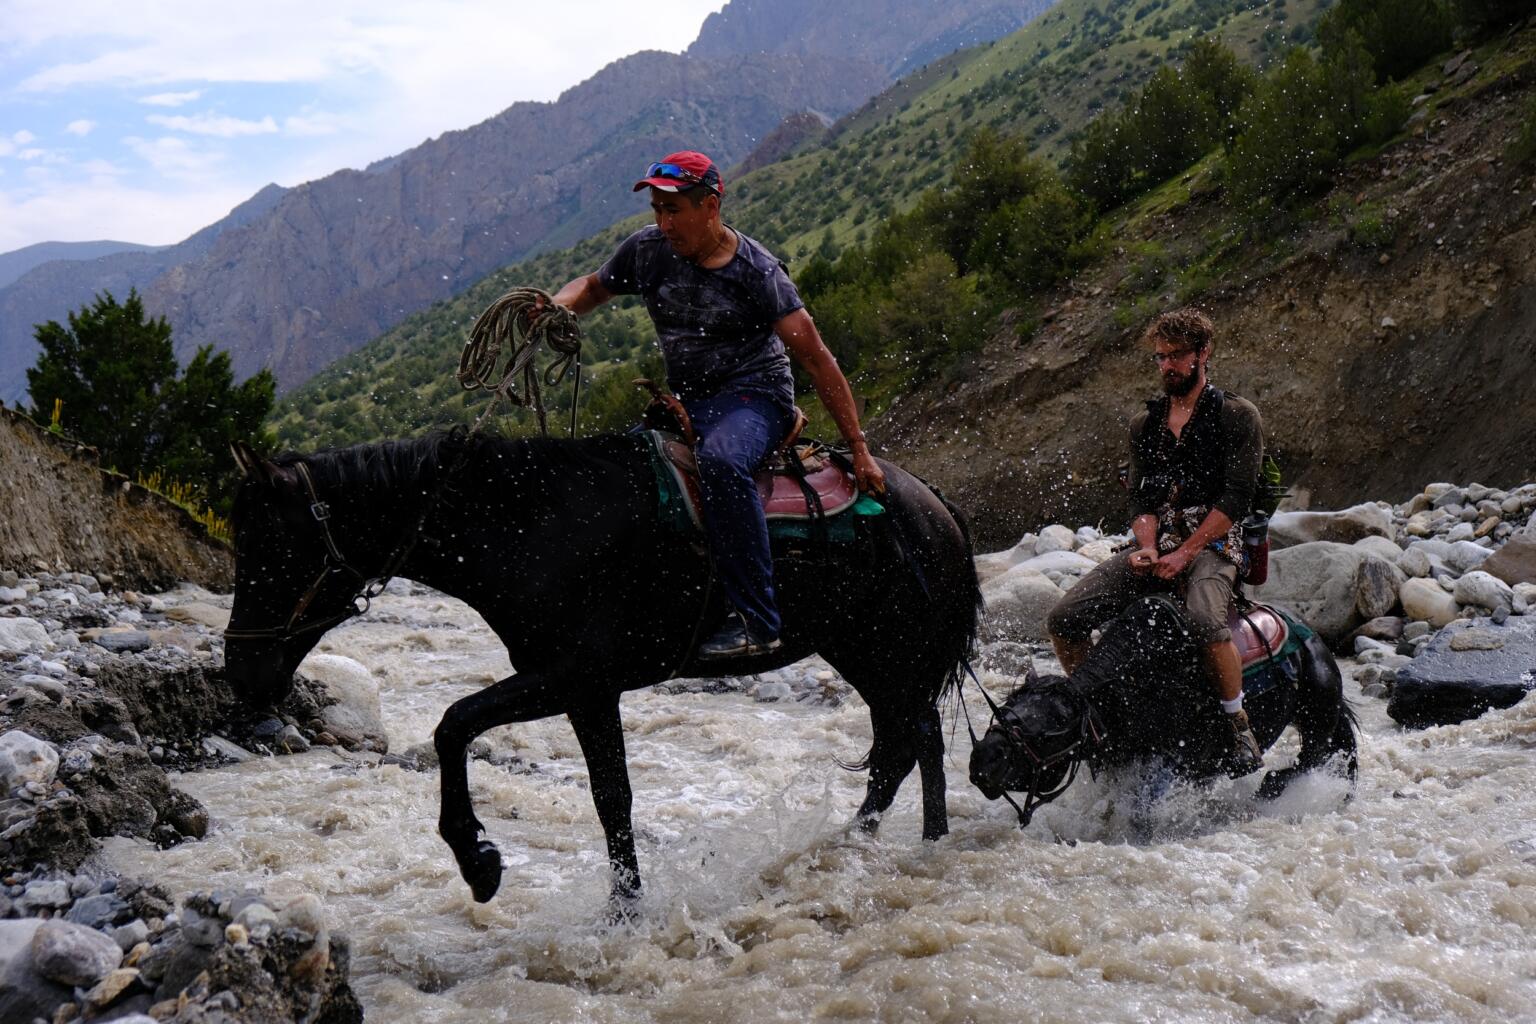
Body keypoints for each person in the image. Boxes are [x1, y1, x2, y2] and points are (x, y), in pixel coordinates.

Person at [546, 151, 884, 660]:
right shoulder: (647, 250)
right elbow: (594, 287)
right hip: (687, 402)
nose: (663, 222)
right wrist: (557, 304)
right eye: (657, 209)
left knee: (723, 463)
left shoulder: (758, 271)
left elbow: (815, 358)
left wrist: (859, 448)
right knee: (620, 472)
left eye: (674, 209)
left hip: (757, 398)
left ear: (710, 206)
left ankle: (756, 621)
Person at [1045, 308, 1265, 775]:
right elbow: (1141, 499)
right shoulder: (1144, 424)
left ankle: (1237, 723)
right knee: (1064, 618)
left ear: (1203, 354)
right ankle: (1098, 712)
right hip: (1159, 542)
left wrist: (1185, 552)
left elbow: (1237, 499)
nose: (1167, 366)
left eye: (1176, 357)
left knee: (1205, 619)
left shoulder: (1236, 416)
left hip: (1214, 544)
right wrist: (1146, 546)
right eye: (1160, 358)